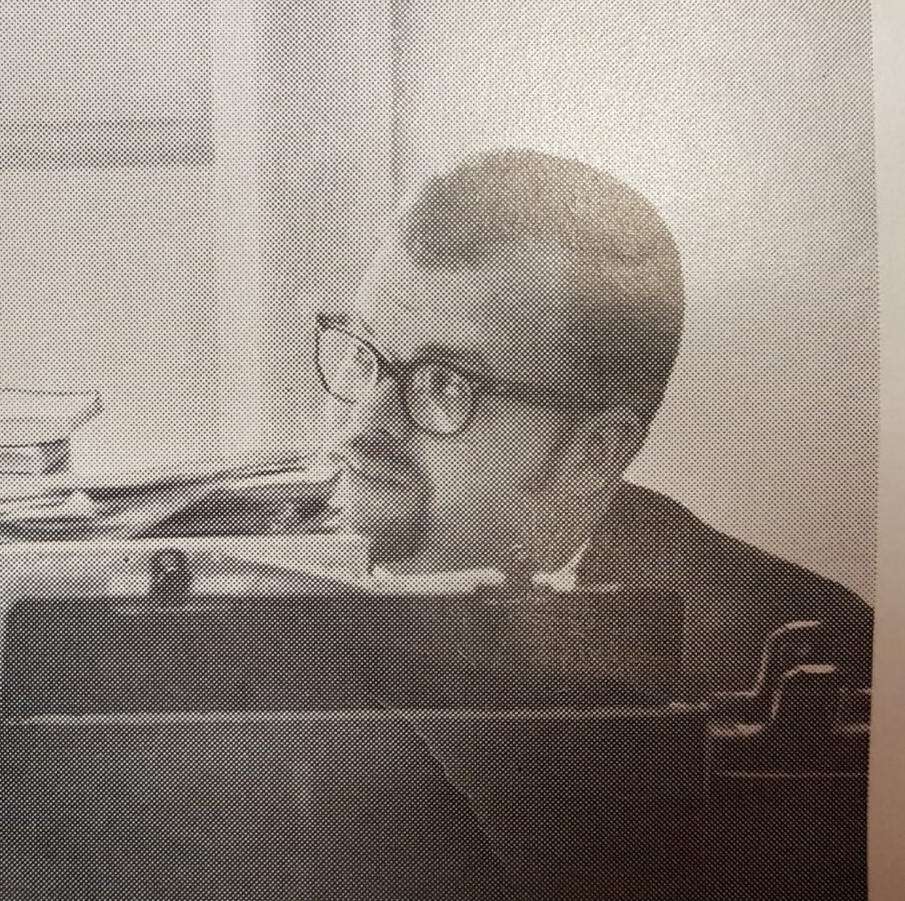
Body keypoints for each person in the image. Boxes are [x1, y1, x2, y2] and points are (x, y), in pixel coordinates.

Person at [316, 148, 872, 694]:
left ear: (593, 452)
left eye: (447, 383)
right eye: (364, 355)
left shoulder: (810, 656)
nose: (361, 424)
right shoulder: (260, 590)